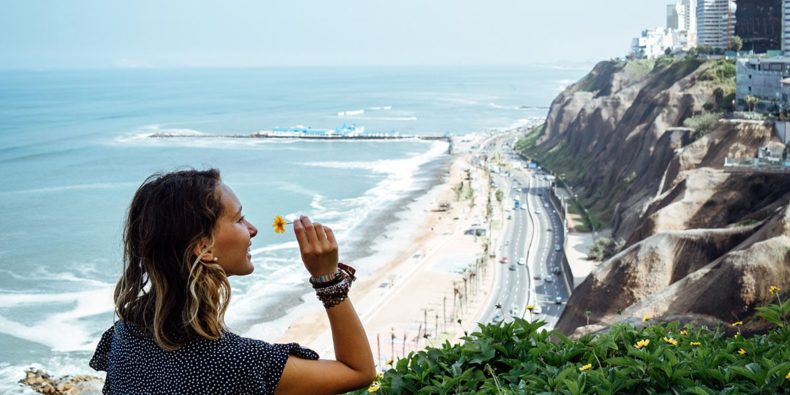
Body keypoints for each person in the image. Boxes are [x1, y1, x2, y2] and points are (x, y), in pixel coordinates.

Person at [90, 169, 376, 394]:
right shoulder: (234, 363)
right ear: (204, 248)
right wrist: (327, 279)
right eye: (239, 220)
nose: (253, 230)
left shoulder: (123, 339)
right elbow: (357, 371)